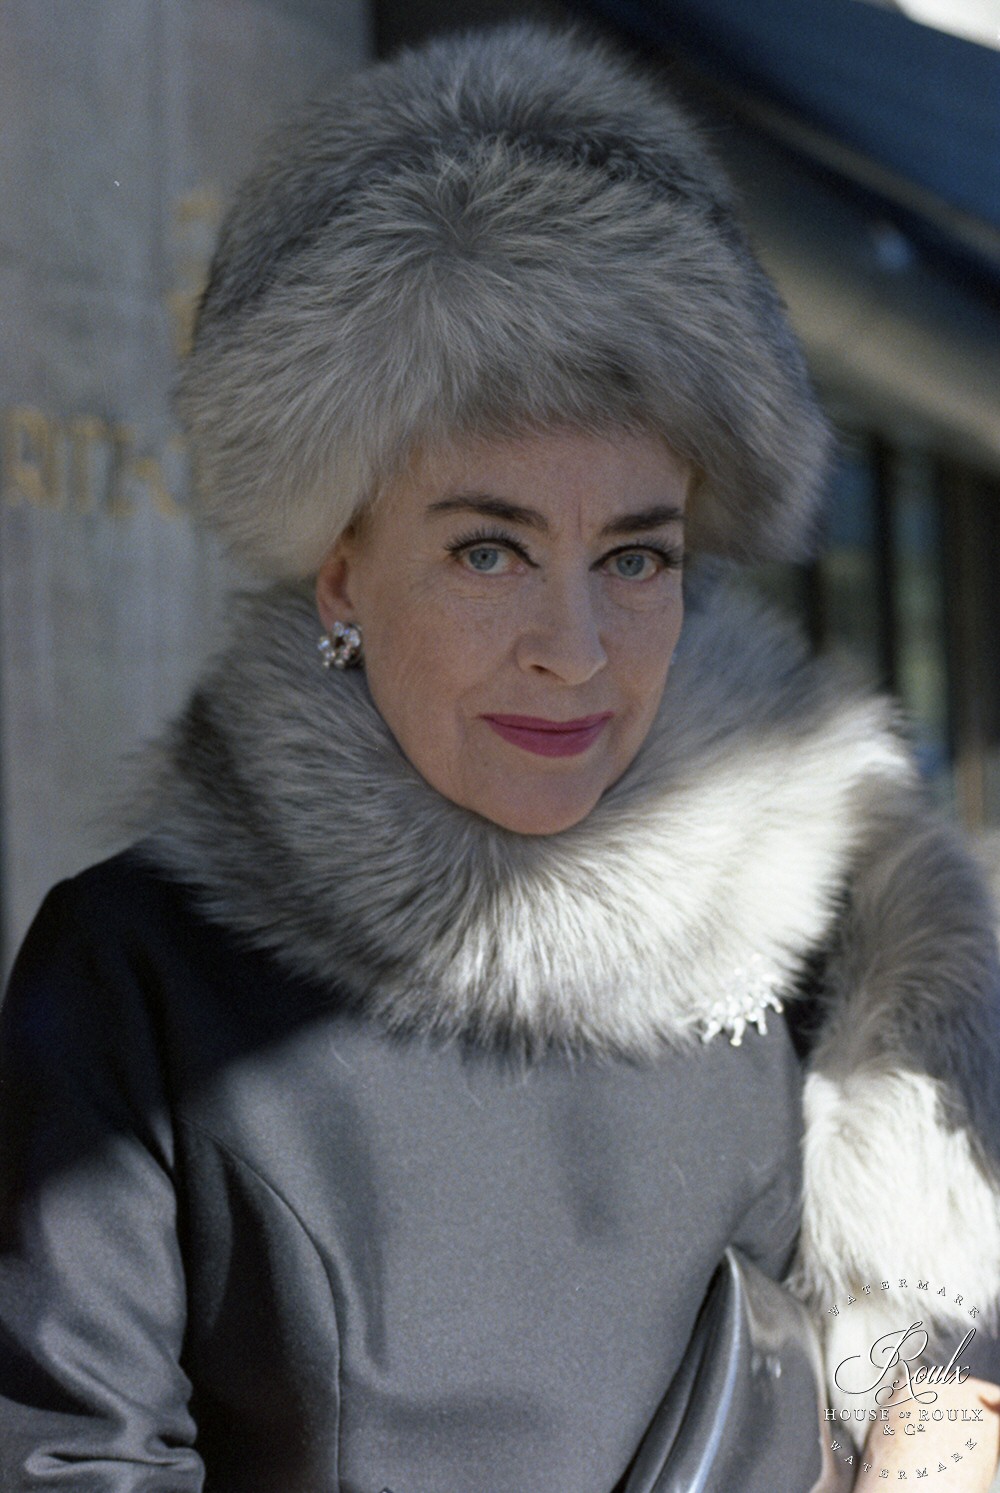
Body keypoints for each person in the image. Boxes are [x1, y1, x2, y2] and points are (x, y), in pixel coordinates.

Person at [1, 22, 999, 1492]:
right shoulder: (133, 973)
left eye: (637, 557)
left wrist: (934, 1429)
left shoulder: (849, 944)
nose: (575, 648)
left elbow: (942, 1350)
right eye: (488, 546)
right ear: (343, 569)